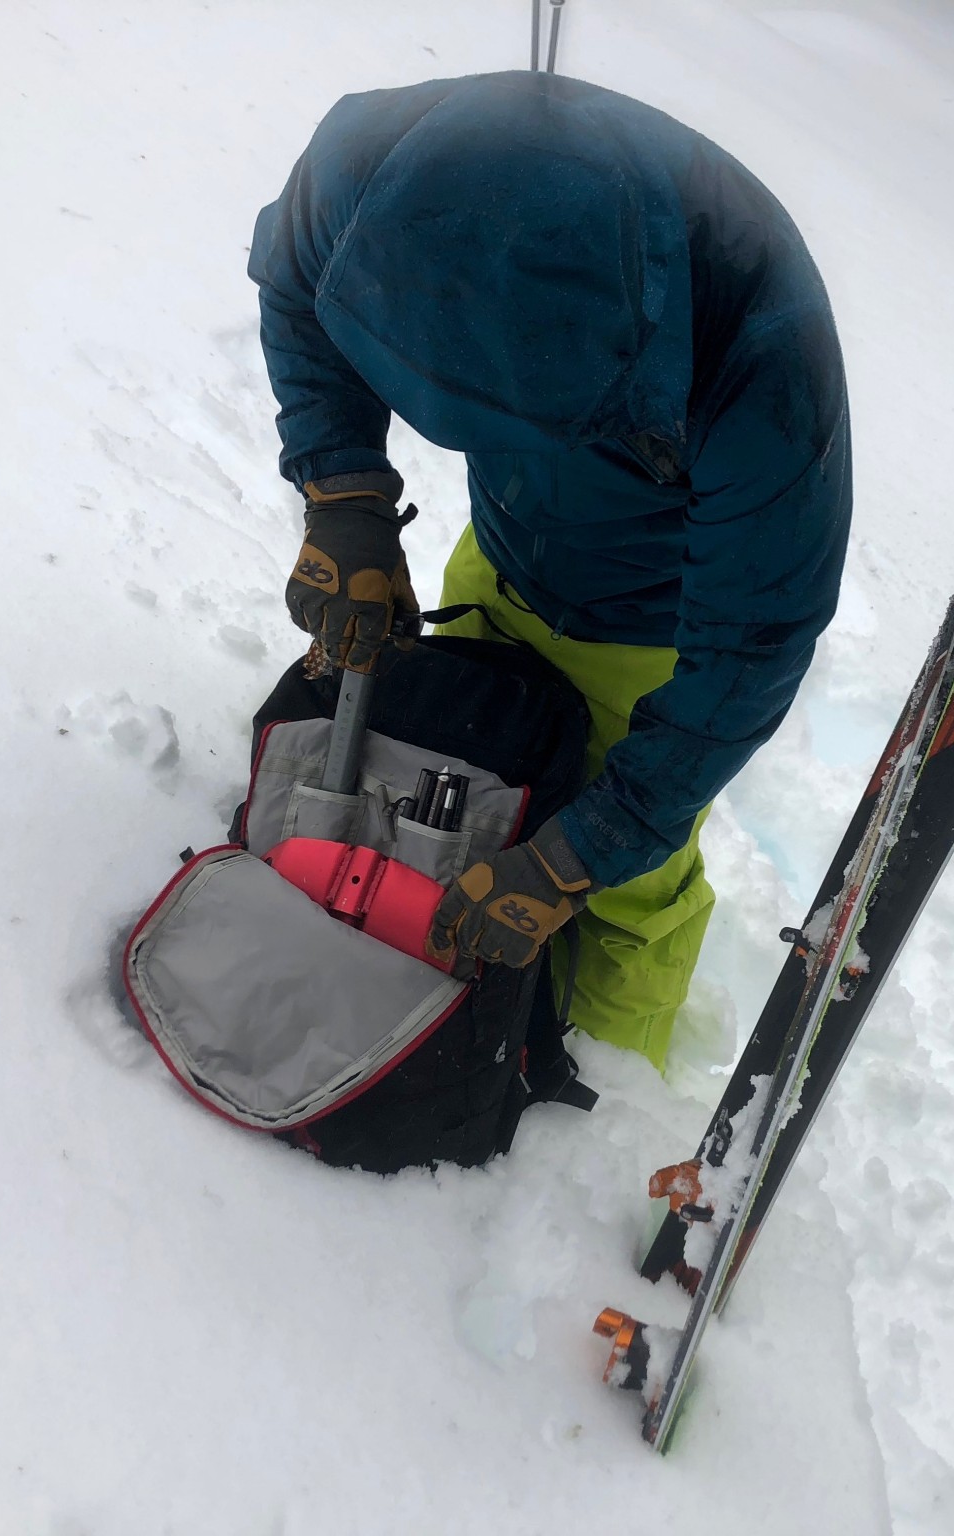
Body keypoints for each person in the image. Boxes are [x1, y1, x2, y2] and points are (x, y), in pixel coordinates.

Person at [247, 71, 850, 1072]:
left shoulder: (761, 346)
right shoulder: (363, 168)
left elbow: (751, 644)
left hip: (657, 627)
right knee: (470, 776)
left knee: (629, 887)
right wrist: (345, 498)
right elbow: (297, 295)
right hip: (502, 549)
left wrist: (587, 851)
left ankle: (610, 1079)